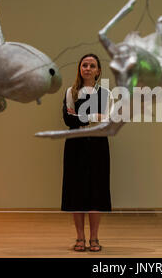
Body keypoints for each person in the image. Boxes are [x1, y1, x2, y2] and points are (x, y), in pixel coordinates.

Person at [61, 53, 111, 252]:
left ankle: (94, 238)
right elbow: (68, 121)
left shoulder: (105, 93)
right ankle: (80, 237)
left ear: (98, 70)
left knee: (96, 192)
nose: (87, 68)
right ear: (79, 69)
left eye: (92, 65)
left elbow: (107, 121)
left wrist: (82, 117)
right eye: (84, 65)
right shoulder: (70, 92)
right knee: (77, 192)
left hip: (98, 145)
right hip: (75, 145)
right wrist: (93, 117)